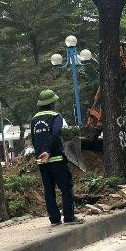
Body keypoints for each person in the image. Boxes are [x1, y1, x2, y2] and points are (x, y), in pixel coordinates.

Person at [30, 89, 81, 226]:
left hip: (41, 161)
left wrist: (40, 153)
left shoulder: (34, 119)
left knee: (49, 190)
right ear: (52, 103)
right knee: (66, 187)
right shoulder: (56, 116)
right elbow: (56, 133)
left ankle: (54, 219)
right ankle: (69, 217)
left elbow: (34, 139)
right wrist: (48, 151)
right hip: (56, 158)